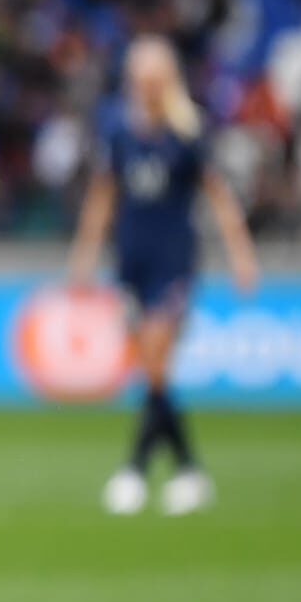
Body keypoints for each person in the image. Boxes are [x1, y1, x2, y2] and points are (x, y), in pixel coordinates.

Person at [70, 35, 258, 516]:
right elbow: (103, 194)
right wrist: (86, 254)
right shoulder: (118, 130)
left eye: (157, 76)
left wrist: (240, 252)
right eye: (142, 76)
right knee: (152, 372)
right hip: (131, 261)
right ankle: (189, 471)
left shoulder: (188, 131)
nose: (149, 85)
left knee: (155, 358)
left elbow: (217, 195)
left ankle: (132, 470)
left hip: (174, 261)